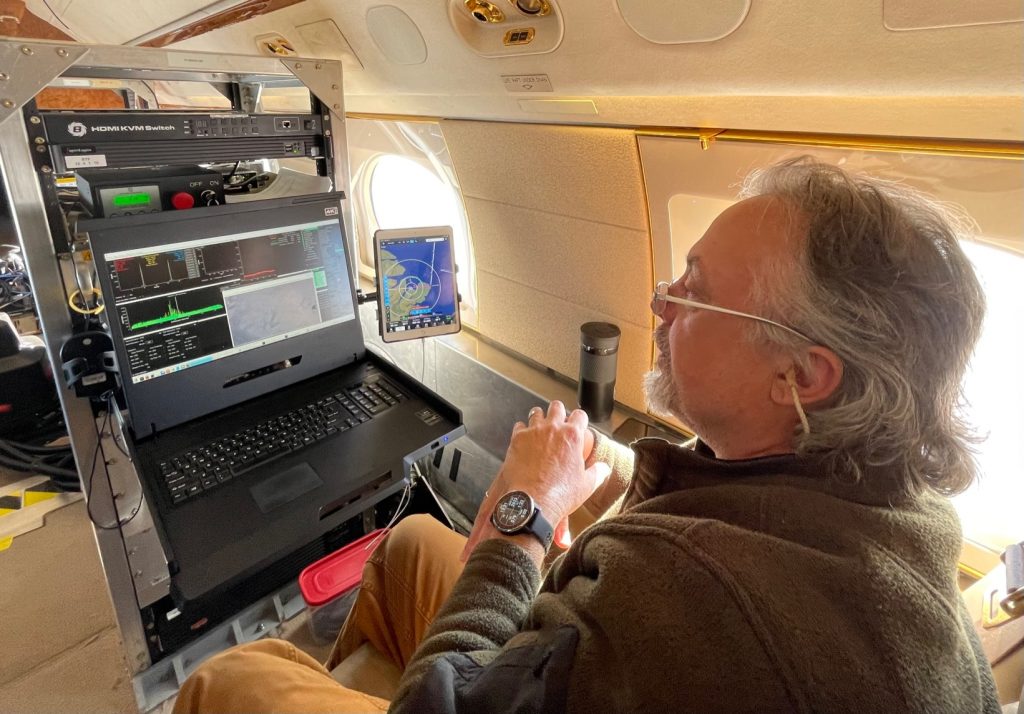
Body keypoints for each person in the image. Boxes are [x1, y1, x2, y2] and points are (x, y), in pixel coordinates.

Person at [174, 158, 1000, 713]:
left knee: (232, 675)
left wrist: (523, 513)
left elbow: (673, 591)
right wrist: (590, 508)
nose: (661, 301)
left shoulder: (689, 589)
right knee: (411, 543)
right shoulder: (895, 504)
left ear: (801, 376)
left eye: (697, 291)